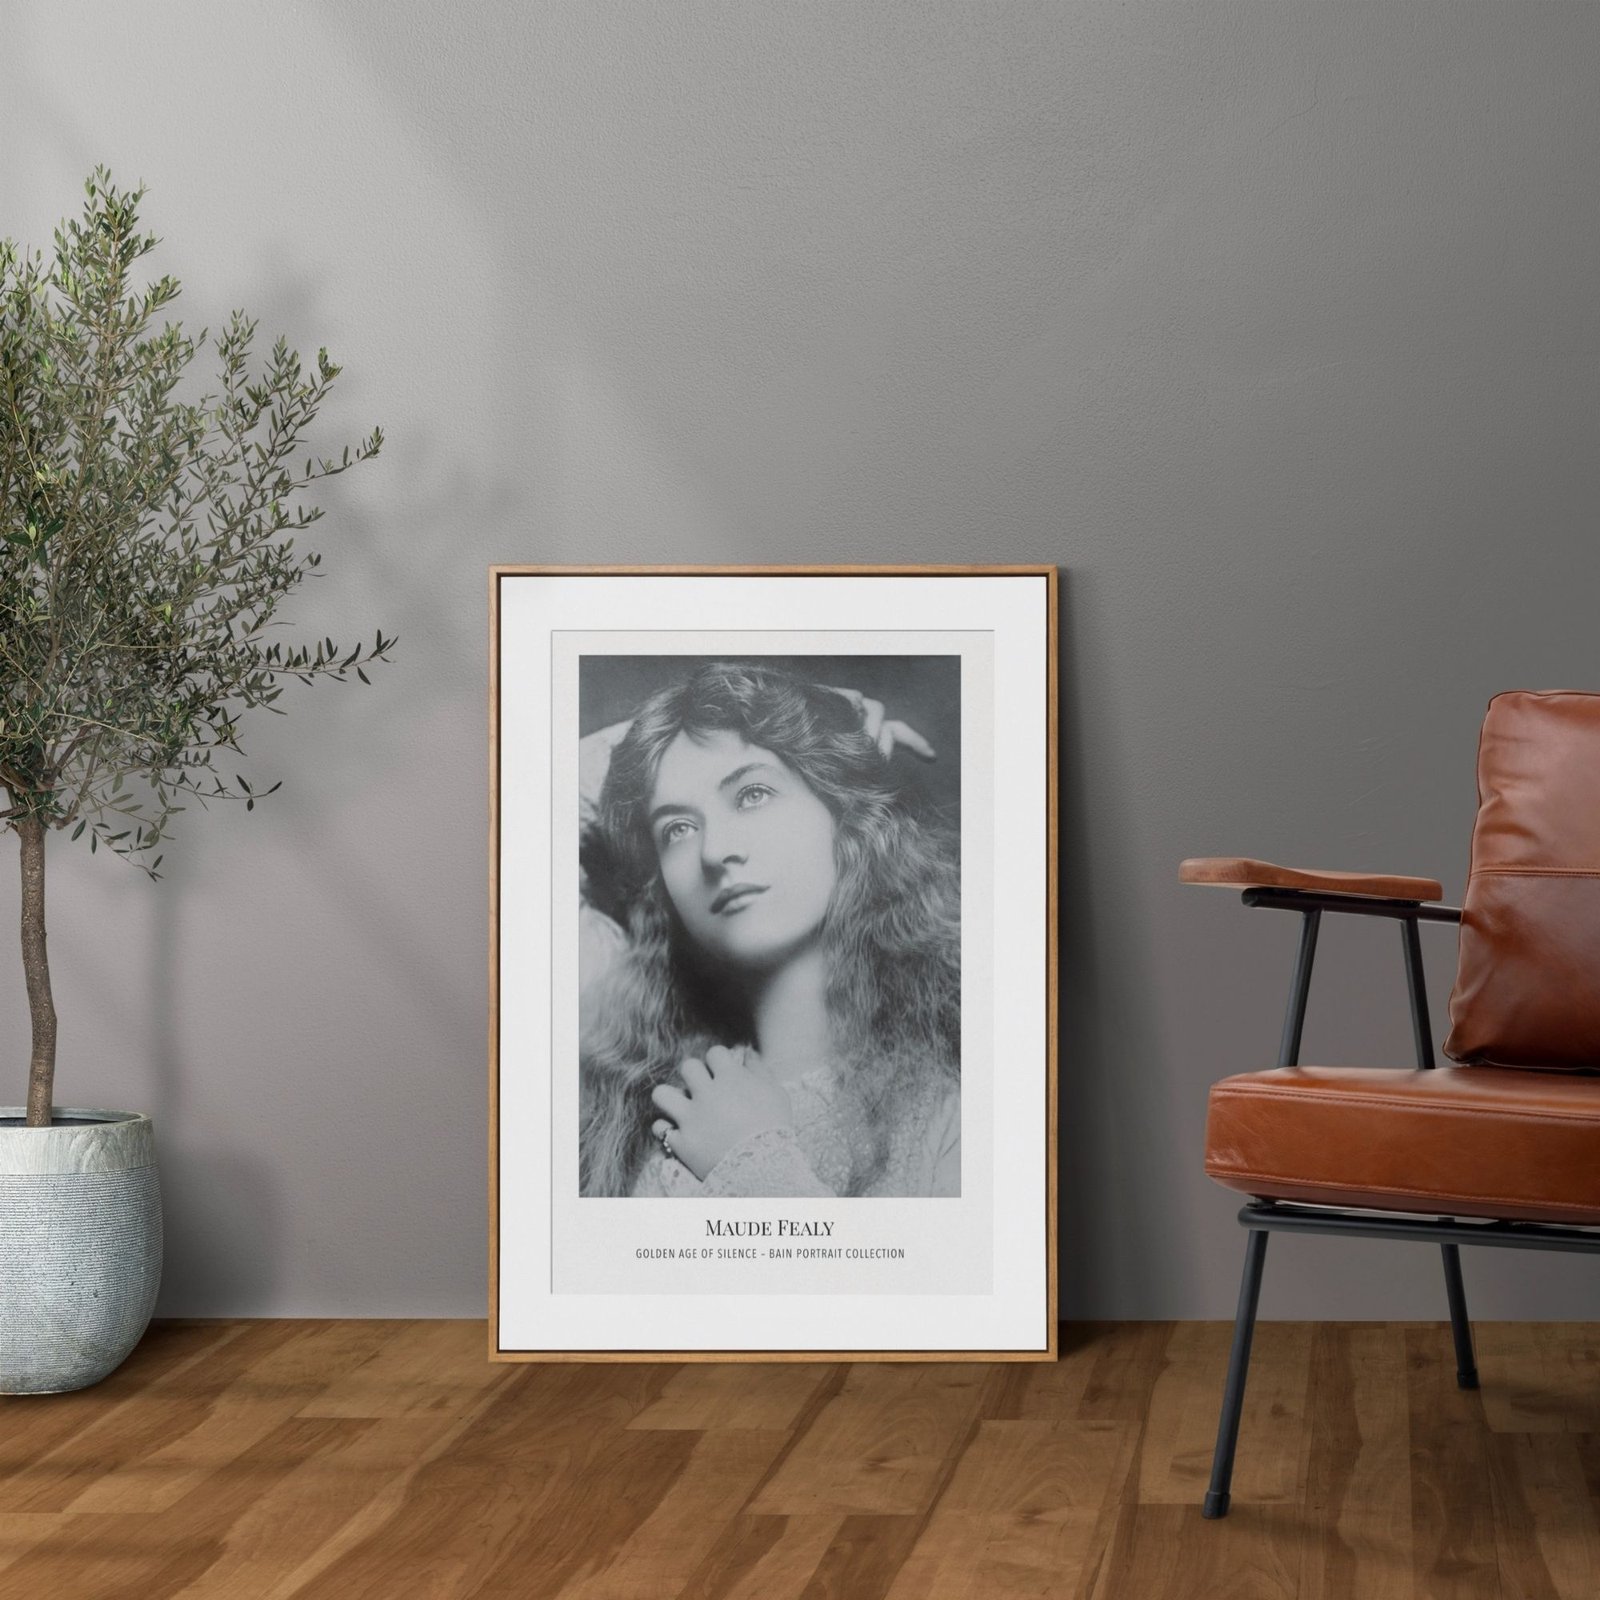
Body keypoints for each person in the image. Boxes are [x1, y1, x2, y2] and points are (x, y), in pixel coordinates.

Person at [577, 660, 961, 1198]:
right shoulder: (630, 1104)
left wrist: (752, 1159)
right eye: (678, 829)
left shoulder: (961, 1103)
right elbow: (530, 810)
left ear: (844, 812)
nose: (714, 851)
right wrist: (797, 707)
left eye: (752, 794)